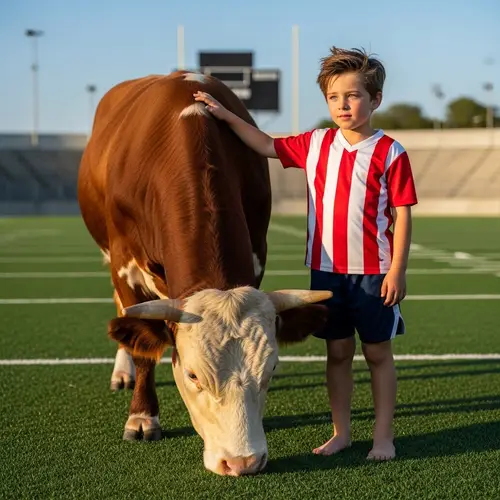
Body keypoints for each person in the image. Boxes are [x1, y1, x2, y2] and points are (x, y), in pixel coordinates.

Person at [193, 46, 418, 461]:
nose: (343, 105)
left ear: (375, 100)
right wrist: (224, 115)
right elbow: (263, 144)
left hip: (374, 274)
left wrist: (397, 270)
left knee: (377, 354)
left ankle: (383, 437)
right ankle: (342, 433)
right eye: (334, 97)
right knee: (337, 353)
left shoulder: (391, 152)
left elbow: (403, 215)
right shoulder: (315, 143)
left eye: (352, 96)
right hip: (327, 274)